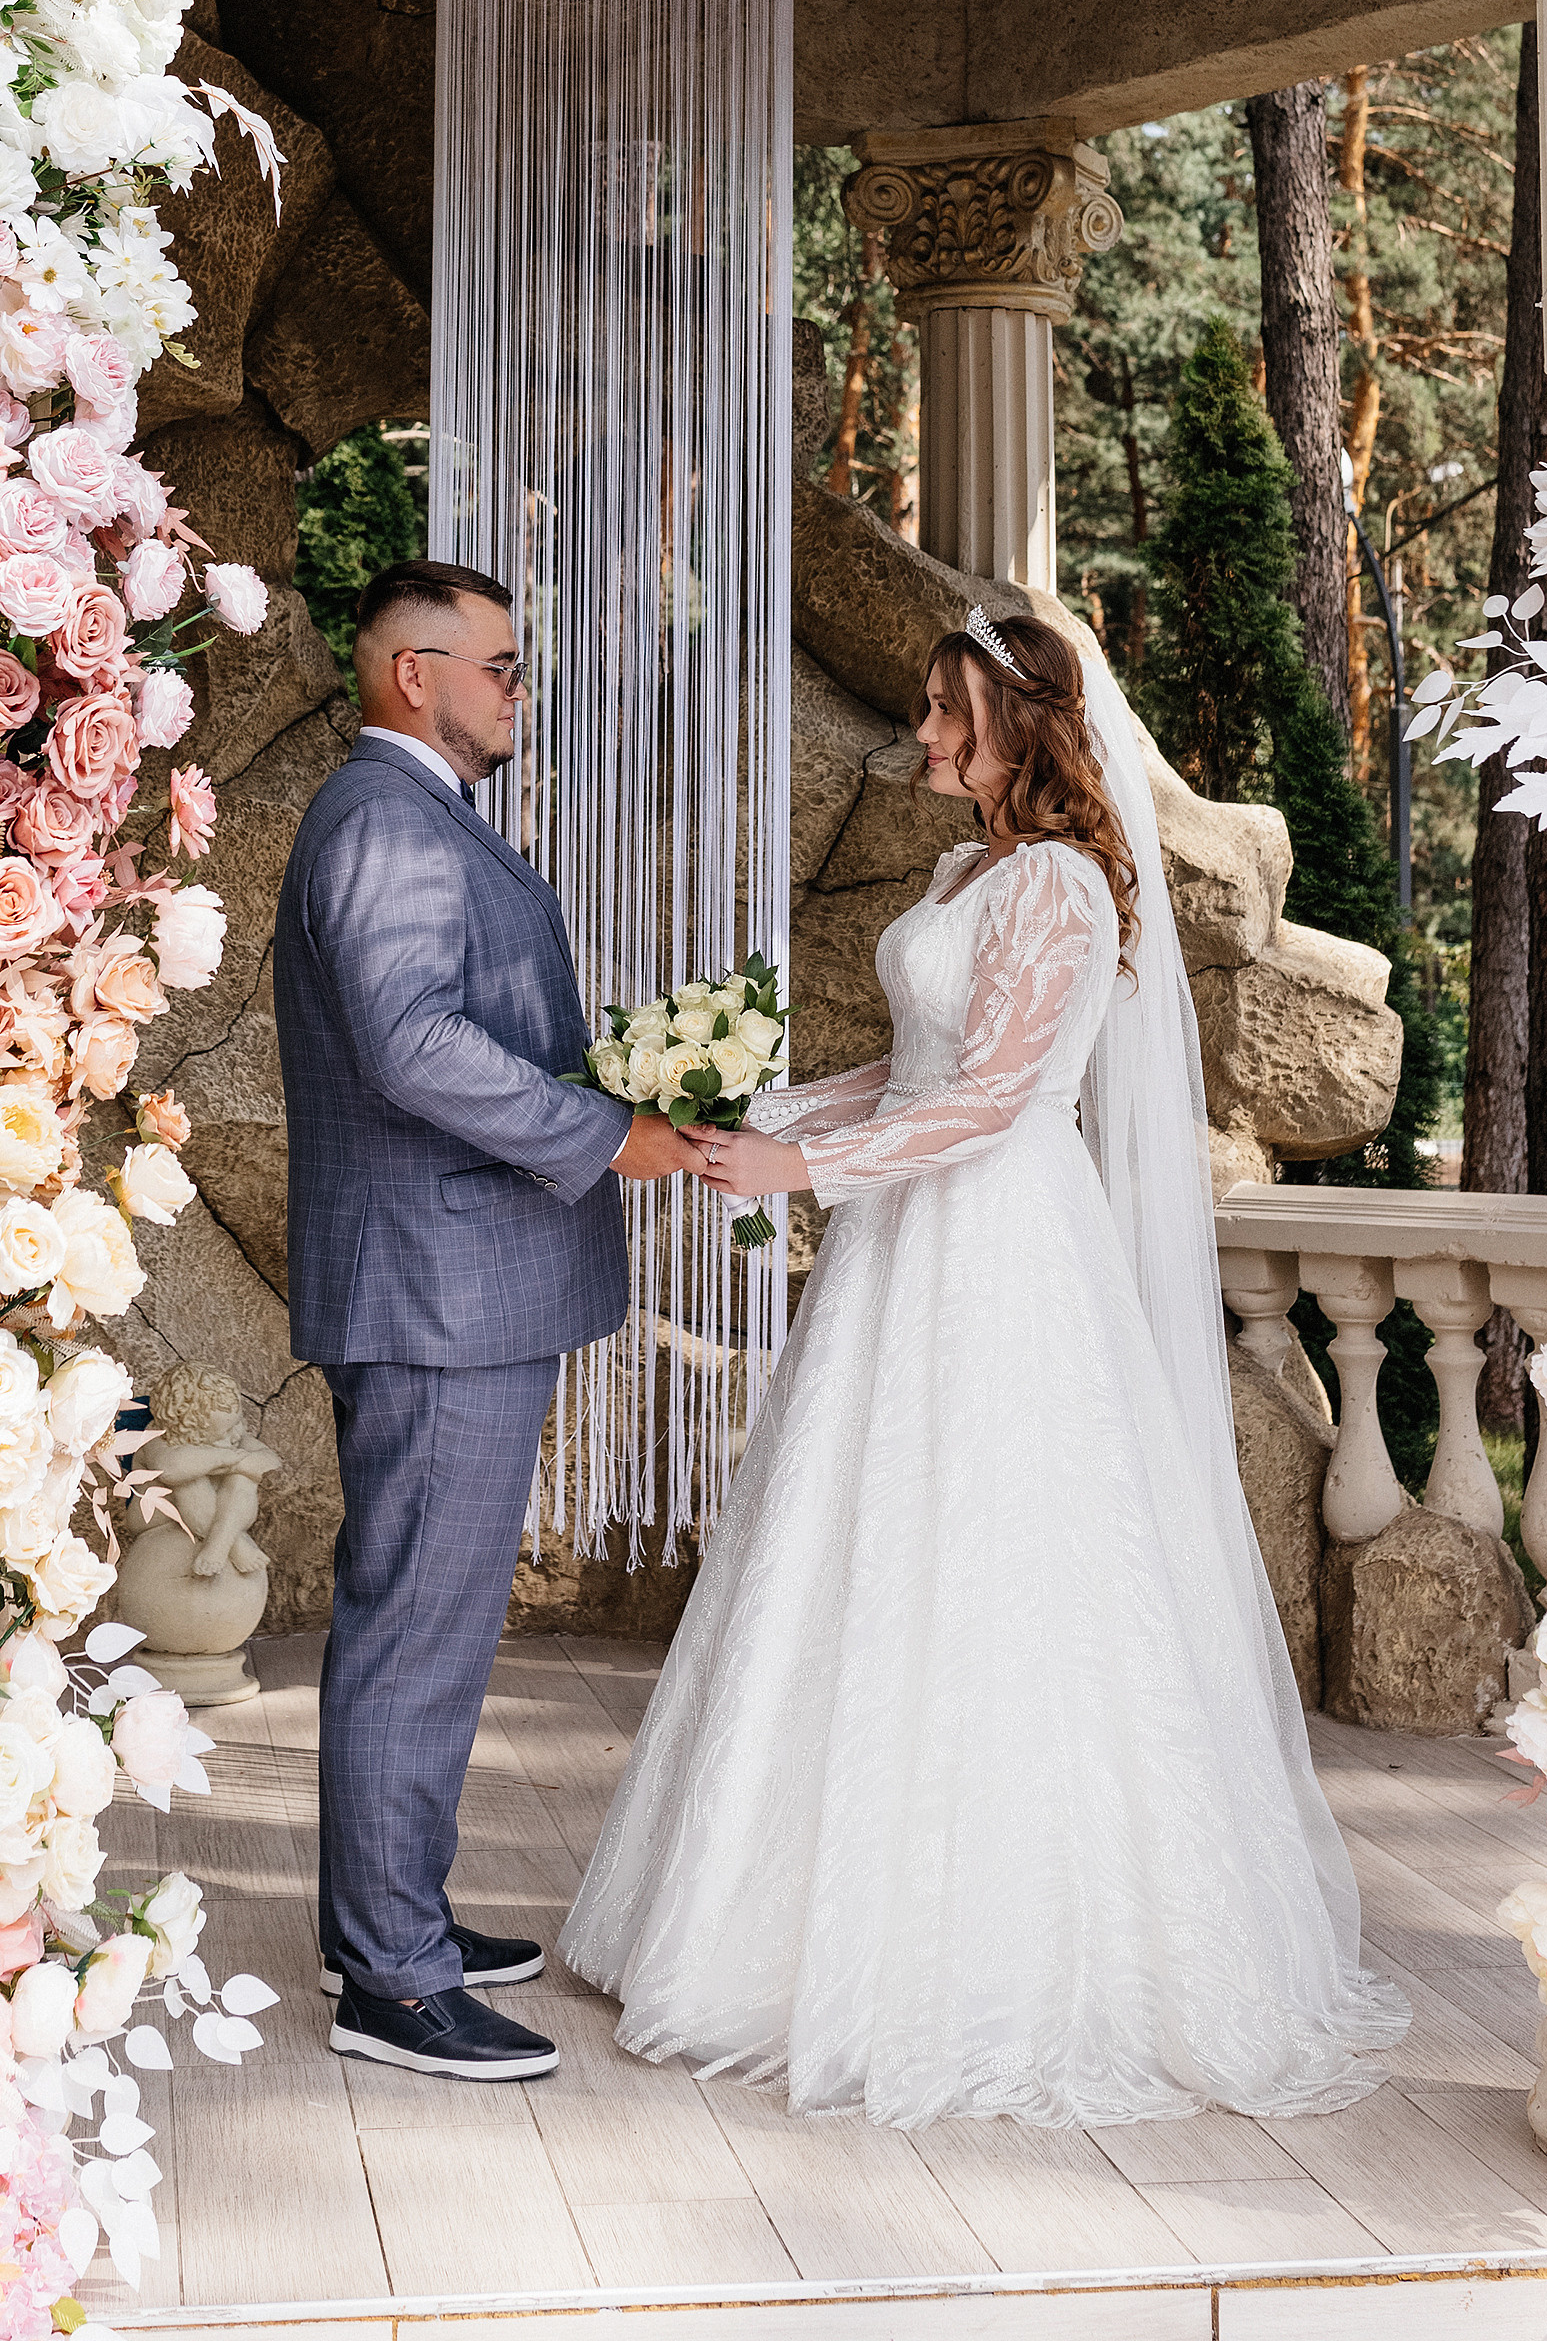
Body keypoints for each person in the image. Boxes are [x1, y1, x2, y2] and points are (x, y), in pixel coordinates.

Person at [560, 605, 1408, 2127]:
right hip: (907, 1236)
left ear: (1025, 728)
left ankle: (1000, 1955)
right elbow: (915, 1070)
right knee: (856, 1553)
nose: (931, 738)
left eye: (955, 714)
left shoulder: (1070, 890)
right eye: (934, 710)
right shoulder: (972, 872)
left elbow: (1005, 1102)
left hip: (1000, 1243)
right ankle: (771, 1926)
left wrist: (798, 1175)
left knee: (1001, 1565)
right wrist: (758, 1108)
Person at [274, 556, 701, 2084]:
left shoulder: (411, 813)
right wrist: (608, 1134)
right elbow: (412, 1047)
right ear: (414, 674)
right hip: (436, 1288)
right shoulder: (385, 819)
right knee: (418, 1630)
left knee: (419, 1620)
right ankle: (392, 1982)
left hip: (446, 1278)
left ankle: (387, 1922)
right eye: (504, 665)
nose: (520, 688)